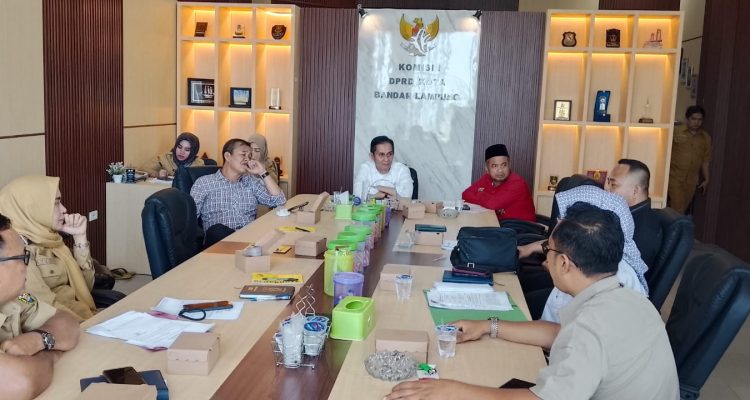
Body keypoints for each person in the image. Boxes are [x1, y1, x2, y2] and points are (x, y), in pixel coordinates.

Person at [386, 203, 679, 400]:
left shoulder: (591, 326)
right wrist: (488, 326)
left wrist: (450, 391)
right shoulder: (628, 299)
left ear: (564, 263)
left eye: (548, 249)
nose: (544, 259)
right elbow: (559, 334)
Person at [517, 185, 648, 322]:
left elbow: (563, 331)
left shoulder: (616, 281)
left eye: (565, 218)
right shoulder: (593, 257)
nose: (559, 222)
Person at [0, 213, 81, 399]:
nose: (26, 266)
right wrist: (50, 354)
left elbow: (67, 322)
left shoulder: (20, 298)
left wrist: (38, 340)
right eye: (22, 258)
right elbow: (21, 381)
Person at [0, 176, 99, 321]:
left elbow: (85, 288)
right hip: (72, 324)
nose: (64, 209)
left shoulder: (49, 239)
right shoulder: (17, 252)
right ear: (33, 208)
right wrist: (87, 326)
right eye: (56, 203)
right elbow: (44, 308)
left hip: (87, 316)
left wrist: (80, 237)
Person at [191, 138, 286, 247]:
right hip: (219, 243)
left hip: (249, 242)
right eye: (243, 154)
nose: (247, 159)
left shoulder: (251, 182)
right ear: (227, 156)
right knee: (217, 230)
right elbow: (189, 219)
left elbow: (280, 201)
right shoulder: (204, 183)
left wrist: (262, 172)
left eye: (249, 156)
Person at [606, 158, 663, 268]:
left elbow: (627, 272)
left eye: (613, 184)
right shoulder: (625, 216)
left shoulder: (645, 230)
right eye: (608, 183)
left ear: (635, 191)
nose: (607, 189)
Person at [462, 144, 536, 222]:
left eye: (504, 165)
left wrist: (481, 193)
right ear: (487, 169)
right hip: (500, 223)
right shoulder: (487, 178)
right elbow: (466, 194)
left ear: (509, 165)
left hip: (520, 226)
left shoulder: (517, 183)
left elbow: (492, 204)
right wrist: (490, 200)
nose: (500, 170)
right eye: (494, 166)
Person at [668, 105, 711, 214]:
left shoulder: (705, 137)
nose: (697, 122)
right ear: (687, 119)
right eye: (693, 119)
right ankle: (676, 225)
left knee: (682, 208)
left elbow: (705, 160)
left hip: (692, 180)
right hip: (674, 177)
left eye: (700, 119)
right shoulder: (676, 131)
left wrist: (707, 179)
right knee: (678, 208)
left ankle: (671, 224)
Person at [353, 136, 413, 201]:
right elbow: (358, 195)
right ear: (372, 156)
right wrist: (393, 192)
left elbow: (407, 197)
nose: (386, 159)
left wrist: (378, 189)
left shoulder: (402, 169)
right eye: (381, 155)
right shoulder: (365, 168)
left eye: (389, 154)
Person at [141, 132, 205, 177]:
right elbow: (142, 170)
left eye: (187, 150)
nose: (181, 152)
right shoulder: (165, 158)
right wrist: (157, 174)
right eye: (179, 147)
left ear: (193, 152)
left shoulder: (198, 164)